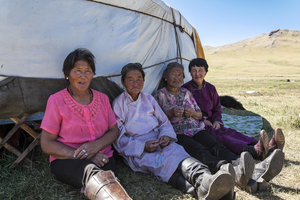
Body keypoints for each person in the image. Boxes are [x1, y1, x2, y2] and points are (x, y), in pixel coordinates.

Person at [153, 62, 285, 192]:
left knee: (216, 145)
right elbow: (154, 121)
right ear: (165, 76)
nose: (176, 77)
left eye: (180, 75)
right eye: (173, 74)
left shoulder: (186, 92)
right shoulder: (159, 95)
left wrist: (193, 113)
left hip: (196, 129)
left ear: (183, 77)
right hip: (178, 133)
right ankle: (228, 171)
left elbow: (199, 114)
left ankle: (245, 167)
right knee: (200, 150)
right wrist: (169, 113)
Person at [113, 63, 235, 199]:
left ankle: (205, 179)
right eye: (130, 79)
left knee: (178, 153)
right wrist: (143, 146)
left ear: (143, 80)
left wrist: (165, 135)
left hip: (159, 139)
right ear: (123, 82)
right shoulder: (119, 104)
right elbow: (118, 137)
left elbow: (164, 122)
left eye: (139, 79)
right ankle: (200, 191)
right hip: (138, 148)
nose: (135, 83)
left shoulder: (148, 99)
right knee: (160, 164)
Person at [40, 48, 131, 200]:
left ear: (93, 74)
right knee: (92, 172)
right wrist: (84, 155)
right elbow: (46, 144)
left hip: (103, 158)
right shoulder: (56, 100)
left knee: (105, 177)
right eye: (77, 70)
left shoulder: (102, 99)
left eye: (88, 71)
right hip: (67, 160)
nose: (83, 76)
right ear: (68, 74)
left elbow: (113, 130)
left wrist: (95, 147)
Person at [182, 58, 285, 161]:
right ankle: (253, 151)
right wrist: (202, 120)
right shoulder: (185, 89)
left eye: (200, 70)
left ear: (206, 72)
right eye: (194, 70)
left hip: (212, 122)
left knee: (231, 132)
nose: (197, 74)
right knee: (222, 137)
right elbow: (185, 112)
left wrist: (217, 121)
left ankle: (265, 147)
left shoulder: (211, 88)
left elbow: (217, 108)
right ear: (190, 72)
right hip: (197, 124)